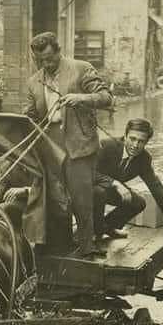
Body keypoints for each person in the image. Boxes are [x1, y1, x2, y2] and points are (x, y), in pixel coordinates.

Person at [25, 31, 113, 257]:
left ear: (58, 51)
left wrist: (81, 98)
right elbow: (32, 115)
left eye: (50, 59)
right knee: (55, 201)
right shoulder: (34, 82)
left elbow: (106, 98)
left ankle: (87, 248)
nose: (46, 64)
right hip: (49, 147)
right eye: (41, 61)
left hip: (79, 146)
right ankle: (61, 249)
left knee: (82, 200)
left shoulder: (80, 68)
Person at [93, 118, 163, 239]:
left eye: (141, 141)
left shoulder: (144, 158)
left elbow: (155, 185)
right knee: (98, 192)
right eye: (132, 139)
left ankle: (107, 228)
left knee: (138, 203)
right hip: (88, 189)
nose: (135, 145)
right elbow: (87, 173)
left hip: (109, 190)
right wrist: (114, 183)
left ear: (147, 142)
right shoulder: (106, 146)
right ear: (125, 135)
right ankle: (92, 230)